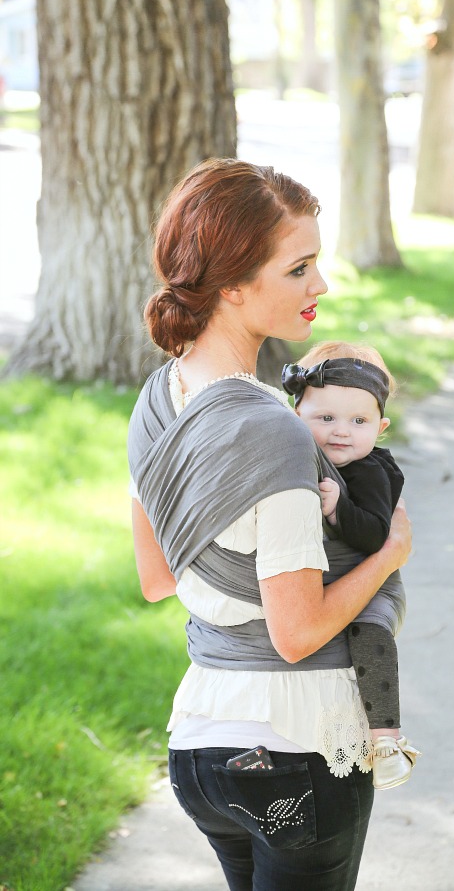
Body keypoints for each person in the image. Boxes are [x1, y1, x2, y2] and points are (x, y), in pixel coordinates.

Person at [127, 157, 412, 891]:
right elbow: (297, 632)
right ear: (231, 283)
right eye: (299, 268)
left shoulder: (158, 398)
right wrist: (388, 555)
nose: (321, 286)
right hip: (296, 747)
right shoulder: (275, 432)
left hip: (202, 743)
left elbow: (157, 578)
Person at [282, 341, 420, 790]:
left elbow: (376, 537)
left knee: (370, 633)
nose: (342, 431)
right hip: (341, 579)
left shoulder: (371, 471)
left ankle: (386, 741)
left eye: (358, 421)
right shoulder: (298, 459)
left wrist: (339, 508)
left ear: (380, 427)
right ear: (296, 414)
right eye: (326, 418)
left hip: (378, 584)